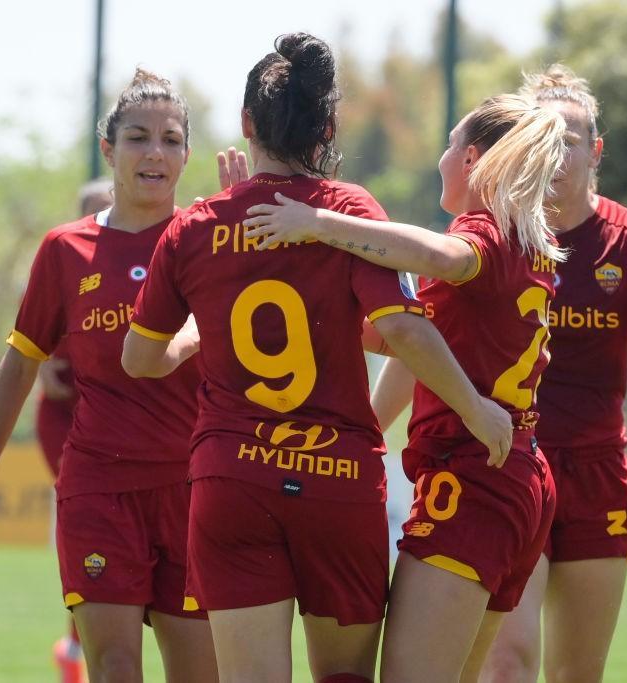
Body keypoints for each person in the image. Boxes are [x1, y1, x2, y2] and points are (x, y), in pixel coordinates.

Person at [122, 32, 514, 683]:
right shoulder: (349, 211)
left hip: (232, 480)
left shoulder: (193, 228)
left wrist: (203, 328)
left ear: (247, 123)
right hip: (338, 481)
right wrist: (475, 407)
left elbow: (139, 358)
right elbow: (406, 334)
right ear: (327, 125)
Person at [242, 93, 568, 681]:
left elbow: (445, 257)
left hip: (474, 480)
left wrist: (317, 222)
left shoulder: (485, 233)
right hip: (515, 474)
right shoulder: (529, 245)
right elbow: (409, 342)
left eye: (448, 146)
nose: (440, 159)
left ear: (470, 159)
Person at [0, 68, 219, 683]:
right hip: (98, 489)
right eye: (137, 137)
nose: (155, 152)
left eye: (171, 138)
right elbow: (21, 363)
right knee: (116, 667)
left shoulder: (207, 242)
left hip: (193, 490)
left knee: (199, 673)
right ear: (109, 149)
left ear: (186, 154)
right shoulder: (64, 250)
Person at [471, 64, 627, 683]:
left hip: (597, 474)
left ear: (595, 150)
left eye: (570, 140)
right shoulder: (494, 235)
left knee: (577, 672)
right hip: (512, 463)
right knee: (509, 659)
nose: (556, 155)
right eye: (541, 140)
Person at [35, 177, 112, 683]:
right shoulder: (63, 259)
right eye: (91, 208)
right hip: (68, 419)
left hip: (123, 423)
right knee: (92, 524)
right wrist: (40, 362)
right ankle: (81, 645)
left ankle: (76, 644)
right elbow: (29, 342)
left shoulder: (153, 259)